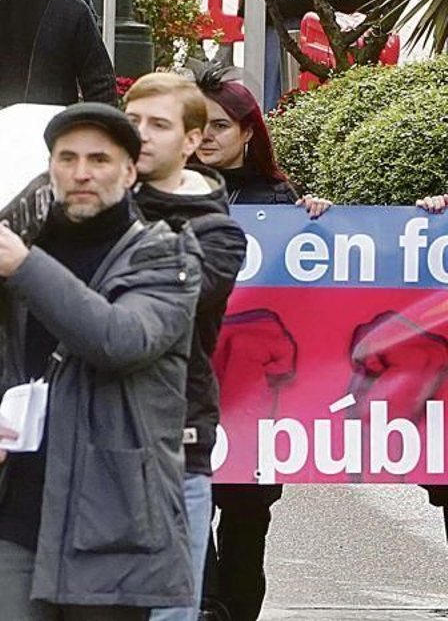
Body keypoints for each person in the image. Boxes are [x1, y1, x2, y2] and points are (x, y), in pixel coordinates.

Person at [0, 102, 201, 619]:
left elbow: (118, 339)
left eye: (99, 159)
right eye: (67, 158)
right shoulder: (19, 254)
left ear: (130, 172)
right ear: (50, 170)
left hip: (114, 520)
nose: (81, 172)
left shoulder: (165, 254)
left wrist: (25, 266)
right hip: (22, 515)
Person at [194, 67, 329, 621]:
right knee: (188, 517)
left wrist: (318, 221)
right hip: (189, 389)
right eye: (197, 124)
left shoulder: (280, 197)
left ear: (249, 132)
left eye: (220, 125)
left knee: (247, 526)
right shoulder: (164, 191)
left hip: (254, 402)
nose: (206, 136)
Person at [122, 73, 248, 621]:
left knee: (171, 608)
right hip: (86, 440)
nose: (142, 136)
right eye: (131, 123)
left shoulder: (218, 231)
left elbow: (174, 301)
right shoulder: (82, 201)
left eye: (159, 124)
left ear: (192, 142)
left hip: (177, 437)